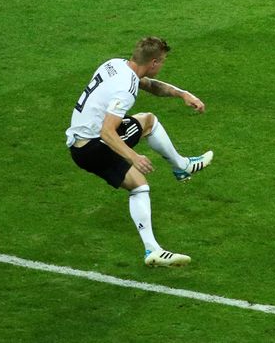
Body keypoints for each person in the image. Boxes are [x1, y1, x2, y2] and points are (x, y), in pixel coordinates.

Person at [65, 36, 213, 267]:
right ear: (153, 62)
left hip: (80, 143)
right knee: (148, 123)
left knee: (139, 185)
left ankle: (152, 251)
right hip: (93, 145)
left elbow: (152, 86)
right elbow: (107, 132)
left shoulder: (114, 64)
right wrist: (134, 156)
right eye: (162, 61)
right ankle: (182, 166)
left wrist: (184, 94)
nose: (162, 65)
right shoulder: (126, 89)